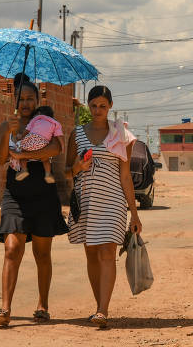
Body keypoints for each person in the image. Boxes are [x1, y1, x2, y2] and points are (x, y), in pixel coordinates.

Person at [0, 73, 68, 326]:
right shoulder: (8, 124)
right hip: (15, 193)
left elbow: (57, 148)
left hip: (43, 194)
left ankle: (43, 305)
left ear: (37, 100)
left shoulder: (45, 121)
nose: (26, 103)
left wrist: (26, 150)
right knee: (12, 248)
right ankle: (4, 309)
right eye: (21, 99)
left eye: (30, 98)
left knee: (42, 254)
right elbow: (1, 159)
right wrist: (6, 132)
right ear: (15, 100)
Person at [65, 85, 142, 328]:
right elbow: (67, 172)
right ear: (88, 106)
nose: (98, 110)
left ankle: (102, 310)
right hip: (86, 201)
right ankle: (99, 305)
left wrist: (134, 214)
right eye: (94, 105)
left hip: (113, 201)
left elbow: (125, 175)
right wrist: (78, 168)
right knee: (91, 254)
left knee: (107, 252)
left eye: (103, 106)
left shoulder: (121, 135)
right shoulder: (76, 134)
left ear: (110, 107)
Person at [10, 105, 64, 184]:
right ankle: (48, 174)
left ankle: (24, 169)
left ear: (38, 113)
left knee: (23, 152)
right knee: (45, 158)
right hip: (44, 143)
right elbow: (59, 136)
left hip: (33, 139)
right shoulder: (55, 123)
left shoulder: (36, 118)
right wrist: (63, 147)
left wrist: (21, 137)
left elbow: (27, 130)